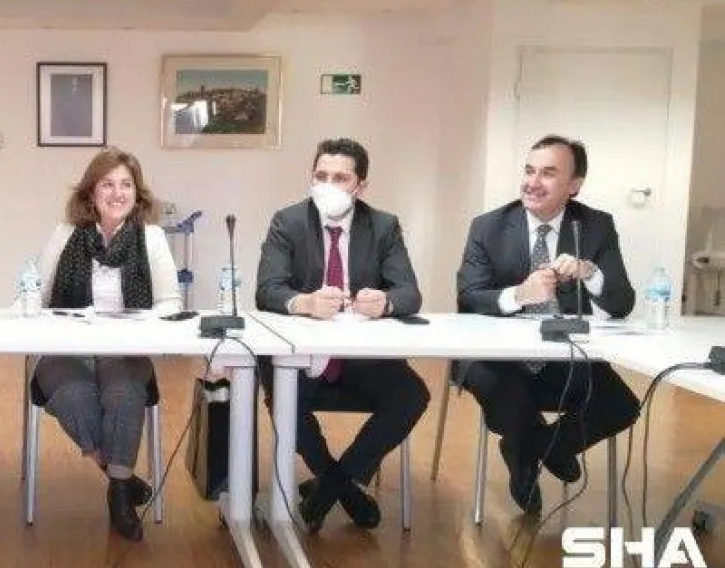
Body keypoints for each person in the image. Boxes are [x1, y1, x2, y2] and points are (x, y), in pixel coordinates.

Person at [456, 134, 639, 514]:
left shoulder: (595, 226)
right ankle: (541, 448)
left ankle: (529, 450)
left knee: (621, 404)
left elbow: (622, 303)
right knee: (504, 392)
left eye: (548, 173)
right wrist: (519, 295)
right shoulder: (488, 226)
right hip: (496, 357)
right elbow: (469, 296)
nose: (532, 182)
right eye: (529, 171)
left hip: (562, 354)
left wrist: (591, 274)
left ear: (574, 185)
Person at [255, 138, 430, 532]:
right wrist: (304, 302)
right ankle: (343, 488)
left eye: (340, 178)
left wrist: (385, 302)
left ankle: (330, 486)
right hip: (303, 354)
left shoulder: (382, 226)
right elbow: (267, 289)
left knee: (412, 394)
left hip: (361, 356)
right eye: (320, 176)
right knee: (282, 393)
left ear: (360, 186)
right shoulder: (288, 221)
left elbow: (409, 293)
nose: (328, 185)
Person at [30, 147, 180, 542]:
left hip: (125, 347)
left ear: (137, 193)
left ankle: (118, 495)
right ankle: (121, 478)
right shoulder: (66, 234)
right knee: (74, 395)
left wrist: (145, 325)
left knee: (124, 393)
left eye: (126, 184)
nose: (117, 193)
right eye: (107, 184)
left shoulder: (151, 237)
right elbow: (36, 294)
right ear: (91, 193)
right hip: (67, 347)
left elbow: (170, 303)